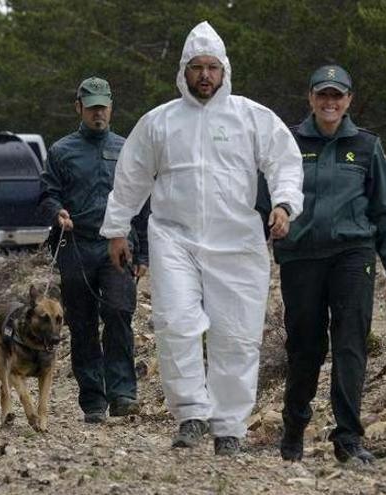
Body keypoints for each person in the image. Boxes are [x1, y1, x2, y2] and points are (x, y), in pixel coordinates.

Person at [99, 21, 304, 456]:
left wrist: (284, 204)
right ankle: (191, 413)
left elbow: (285, 161)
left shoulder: (251, 116)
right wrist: (117, 229)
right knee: (176, 325)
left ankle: (229, 426)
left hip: (238, 243)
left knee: (237, 334)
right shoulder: (160, 122)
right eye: (197, 67)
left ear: (225, 70)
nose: (205, 76)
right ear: (183, 72)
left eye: (212, 67)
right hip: (175, 239)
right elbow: (131, 177)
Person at [266, 65, 386, 463]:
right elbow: (266, 194)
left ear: (349, 101)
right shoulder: (287, 142)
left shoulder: (366, 146)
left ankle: (348, 439)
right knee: (305, 346)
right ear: (310, 98)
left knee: (350, 345)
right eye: (322, 95)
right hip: (301, 256)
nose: (330, 102)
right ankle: (293, 428)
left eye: (337, 96)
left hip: (352, 255)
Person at [39, 77, 150, 424]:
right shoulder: (61, 151)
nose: (98, 113)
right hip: (76, 245)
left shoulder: (128, 148)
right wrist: (57, 212)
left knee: (119, 312)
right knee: (83, 323)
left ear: (111, 107)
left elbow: (144, 204)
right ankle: (93, 399)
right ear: (79, 108)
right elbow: (46, 194)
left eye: (103, 107)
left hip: (117, 245)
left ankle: (122, 393)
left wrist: (144, 253)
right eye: (91, 108)